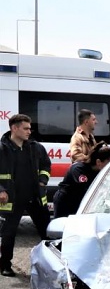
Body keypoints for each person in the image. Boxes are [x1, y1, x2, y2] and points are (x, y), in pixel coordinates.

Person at [0, 114, 51, 277]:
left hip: (35, 197)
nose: (30, 131)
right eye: (26, 128)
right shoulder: (2, 149)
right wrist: (0, 190)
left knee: (47, 232)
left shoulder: (36, 147)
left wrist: (42, 181)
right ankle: (5, 265)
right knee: (9, 233)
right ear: (14, 128)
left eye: (30, 128)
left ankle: (52, 265)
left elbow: (46, 165)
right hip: (12, 199)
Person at [53, 142, 110, 218]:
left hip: (79, 201)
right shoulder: (78, 169)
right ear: (98, 162)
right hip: (66, 202)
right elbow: (86, 189)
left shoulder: (98, 171)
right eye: (109, 163)